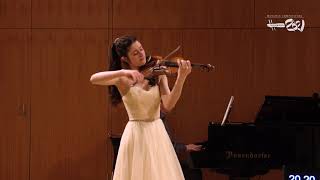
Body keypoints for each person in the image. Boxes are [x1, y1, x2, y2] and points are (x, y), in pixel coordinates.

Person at [90, 35, 192, 180]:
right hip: (136, 133)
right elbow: (94, 78)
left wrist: (181, 79)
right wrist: (124, 72)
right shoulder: (123, 80)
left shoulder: (158, 73)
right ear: (125, 59)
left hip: (157, 132)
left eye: (141, 49)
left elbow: (168, 104)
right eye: (135, 53)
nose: (142, 54)